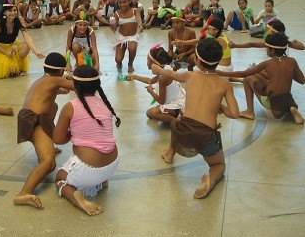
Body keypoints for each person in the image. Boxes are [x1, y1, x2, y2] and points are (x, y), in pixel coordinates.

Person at [152, 39, 240, 199]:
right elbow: (234, 113)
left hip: (183, 131)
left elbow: (169, 73)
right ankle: (210, 181)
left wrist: (157, 68)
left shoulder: (190, 76)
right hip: (205, 136)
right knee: (218, 164)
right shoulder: (224, 84)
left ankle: (170, 154)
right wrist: (221, 107)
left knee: (178, 123)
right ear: (218, 60)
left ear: (198, 60)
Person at [53, 65, 120, 216]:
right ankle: (102, 181)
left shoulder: (71, 107)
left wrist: (71, 133)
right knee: (98, 149)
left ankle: (77, 197)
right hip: (112, 164)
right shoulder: (105, 104)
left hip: (88, 170)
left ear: (75, 86)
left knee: (59, 179)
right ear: (97, 86)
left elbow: (57, 138)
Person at [13, 52, 74, 209]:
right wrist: (77, 74)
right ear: (61, 71)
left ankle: (48, 145)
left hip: (28, 116)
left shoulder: (43, 80)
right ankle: (24, 193)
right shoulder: (55, 79)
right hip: (33, 120)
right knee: (49, 163)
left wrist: (61, 87)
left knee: (52, 105)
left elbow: (52, 91)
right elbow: (78, 86)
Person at [216, 33, 305, 124]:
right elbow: (302, 80)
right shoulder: (292, 61)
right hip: (287, 99)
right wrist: (289, 72)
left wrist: (220, 72)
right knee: (257, 76)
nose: (266, 50)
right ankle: (291, 109)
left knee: (247, 77)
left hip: (272, 101)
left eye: (266, 48)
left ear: (272, 50)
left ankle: (249, 111)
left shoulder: (268, 63)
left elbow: (243, 74)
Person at [0, 4, 44, 79]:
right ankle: (13, 66)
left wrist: (36, 52)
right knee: (11, 72)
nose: (13, 13)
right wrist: (6, 53)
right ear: (4, 12)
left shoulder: (18, 21)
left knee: (26, 46)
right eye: (10, 10)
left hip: (13, 46)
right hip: (0, 49)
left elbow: (27, 37)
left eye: (15, 10)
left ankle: (17, 64)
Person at [128, 46, 185, 124]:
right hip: (174, 102)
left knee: (154, 113)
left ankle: (179, 123)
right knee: (149, 113)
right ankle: (176, 115)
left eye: (148, 60)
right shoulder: (162, 73)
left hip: (178, 104)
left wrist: (151, 91)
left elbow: (161, 101)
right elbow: (150, 81)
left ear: (152, 63)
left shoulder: (163, 78)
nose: (147, 61)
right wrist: (134, 77)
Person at [111, 0, 143, 73]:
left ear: (129, 1)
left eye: (125, 2)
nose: (122, 5)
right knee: (118, 60)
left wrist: (140, 25)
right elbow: (114, 29)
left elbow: (138, 18)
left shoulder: (135, 10)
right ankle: (119, 62)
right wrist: (112, 23)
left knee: (132, 47)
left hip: (133, 36)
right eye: (120, 3)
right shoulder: (117, 13)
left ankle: (130, 63)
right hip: (121, 37)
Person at [229, 19, 305, 51]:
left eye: (269, 30)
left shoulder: (271, 43)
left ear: (273, 32)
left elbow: (252, 44)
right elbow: (302, 47)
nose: (267, 32)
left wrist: (236, 46)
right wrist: (295, 40)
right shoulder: (286, 42)